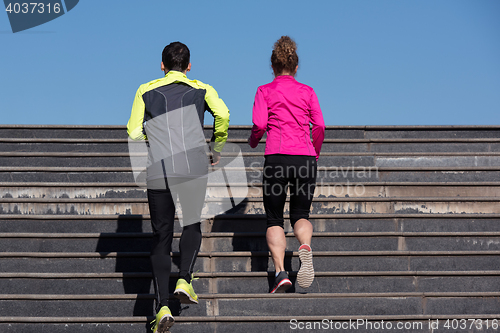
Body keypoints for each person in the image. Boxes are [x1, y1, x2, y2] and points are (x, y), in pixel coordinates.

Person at [127, 41, 230, 332]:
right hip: (194, 163)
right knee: (191, 222)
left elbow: (134, 131)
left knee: (161, 235)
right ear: (188, 66)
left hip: (160, 166)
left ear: (162, 65)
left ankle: (161, 308)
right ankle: (185, 277)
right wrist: (216, 146)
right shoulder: (202, 88)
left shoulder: (145, 90)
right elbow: (223, 115)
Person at [248, 36, 325, 293]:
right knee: (301, 215)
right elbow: (320, 126)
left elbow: (259, 125)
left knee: (274, 219)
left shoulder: (264, 91)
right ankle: (304, 246)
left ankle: (281, 272)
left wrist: (254, 140)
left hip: (277, 157)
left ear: (272, 66)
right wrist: (313, 151)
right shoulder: (308, 91)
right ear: (296, 67)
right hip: (304, 158)